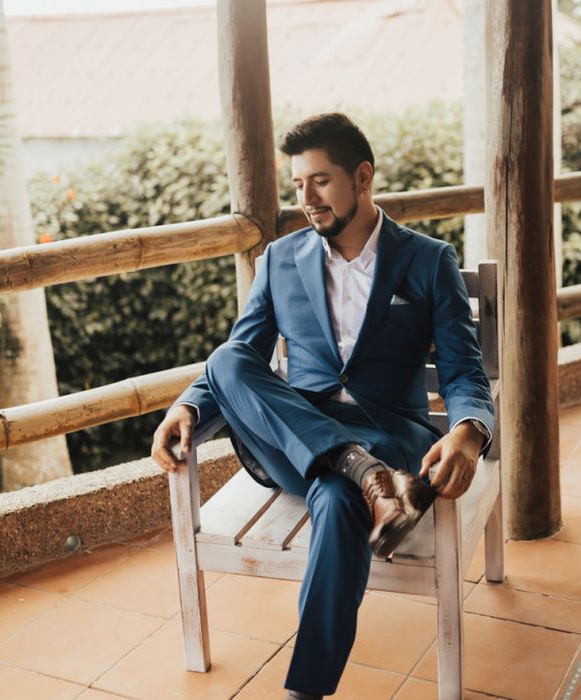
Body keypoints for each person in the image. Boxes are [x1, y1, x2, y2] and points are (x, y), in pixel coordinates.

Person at [151, 113, 494, 699]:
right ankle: (363, 474)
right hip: (294, 439)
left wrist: (467, 431)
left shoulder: (428, 260)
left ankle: (304, 692)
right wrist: (189, 409)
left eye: (321, 181)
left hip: (389, 436)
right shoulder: (280, 260)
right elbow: (243, 356)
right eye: (298, 186)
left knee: (337, 501)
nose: (306, 199)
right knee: (227, 360)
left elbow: (464, 370)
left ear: (362, 177)